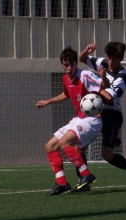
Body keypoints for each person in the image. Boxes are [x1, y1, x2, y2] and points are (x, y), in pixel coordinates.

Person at [36, 46, 108, 195]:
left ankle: (86, 174)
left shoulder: (85, 75)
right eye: (65, 65)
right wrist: (48, 101)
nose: (69, 68)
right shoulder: (66, 78)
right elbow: (65, 94)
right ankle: (62, 183)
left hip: (92, 119)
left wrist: (104, 77)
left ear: (76, 63)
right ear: (62, 64)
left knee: (65, 143)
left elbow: (104, 87)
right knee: (50, 146)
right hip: (79, 119)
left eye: (72, 64)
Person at [77, 42, 126, 190]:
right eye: (109, 58)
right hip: (97, 112)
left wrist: (92, 88)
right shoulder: (102, 62)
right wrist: (86, 51)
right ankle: (84, 179)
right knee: (79, 146)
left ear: (121, 59)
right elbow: (82, 59)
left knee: (106, 154)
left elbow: (108, 97)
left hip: (112, 115)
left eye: (115, 59)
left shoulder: (122, 76)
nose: (111, 62)